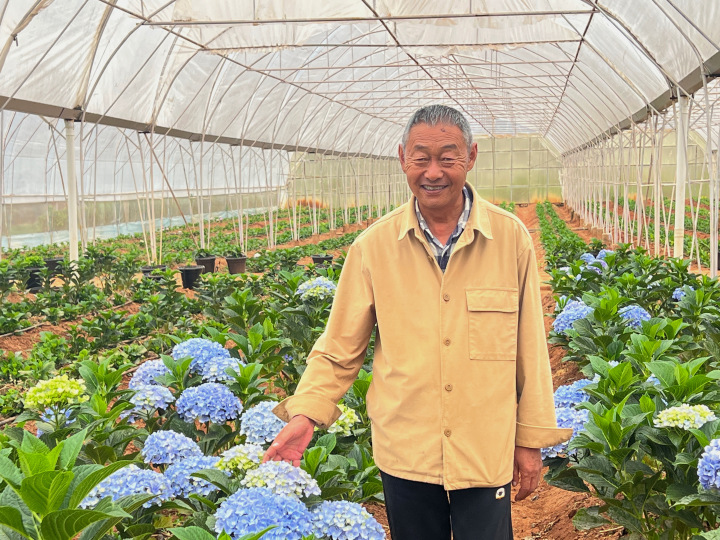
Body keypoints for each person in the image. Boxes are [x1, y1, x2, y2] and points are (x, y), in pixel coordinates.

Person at [266, 104, 572, 540]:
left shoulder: (510, 239)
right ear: (401, 158)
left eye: (447, 158)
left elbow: (530, 349)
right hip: (406, 449)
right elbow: (339, 347)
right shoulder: (373, 247)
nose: (433, 172)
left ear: (471, 157)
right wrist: (307, 416)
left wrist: (530, 438)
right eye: (420, 158)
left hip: (486, 445)